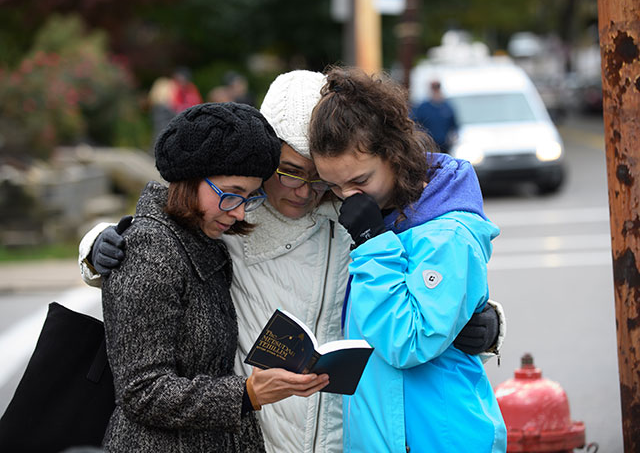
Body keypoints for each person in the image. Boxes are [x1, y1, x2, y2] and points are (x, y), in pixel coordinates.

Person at [79, 71, 505, 453]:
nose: (303, 191)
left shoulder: (354, 216)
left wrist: (488, 324)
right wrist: (98, 245)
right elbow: (165, 240)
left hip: (347, 432)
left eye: (316, 178)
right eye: (288, 172)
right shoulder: (233, 215)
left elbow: (426, 290)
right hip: (252, 429)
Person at [98, 102, 329, 452]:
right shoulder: (152, 247)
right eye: (230, 194)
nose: (237, 212)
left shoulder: (205, 239)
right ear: (190, 178)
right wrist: (248, 392)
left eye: (249, 198)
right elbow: (141, 390)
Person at [308, 66, 507, 452]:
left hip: (440, 437)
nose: (349, 198)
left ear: (394, 155)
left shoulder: (446, 232)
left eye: (360, 182)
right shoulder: (384, 212)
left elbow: (407, 342)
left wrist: (371, 244)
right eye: (334, 186)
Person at [411, 79, 458, 152]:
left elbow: (454, 126)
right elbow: (415, 123)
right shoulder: (423, 107)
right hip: (428, 146)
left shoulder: (447, 107)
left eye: (437, 88)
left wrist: (452, 138)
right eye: (434, 88)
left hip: (444, 146)